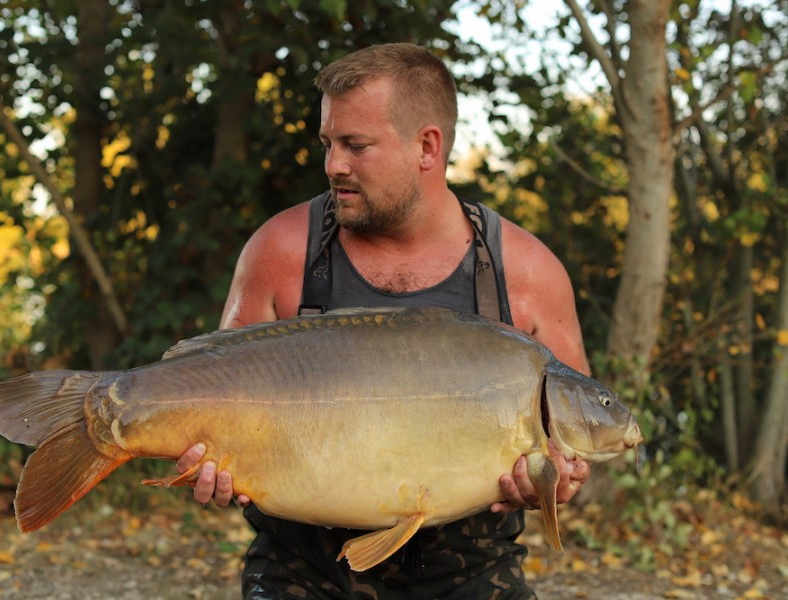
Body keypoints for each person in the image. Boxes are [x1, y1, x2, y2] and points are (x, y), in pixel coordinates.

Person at [176, 43, 591, 599]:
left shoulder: (527, 272)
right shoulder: (280, 250)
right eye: (328, 143)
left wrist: (557, 483)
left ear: (427, 146)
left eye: (356, 145)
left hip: (470, 576)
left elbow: (577, 447)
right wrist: (203, 469)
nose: (333, 165)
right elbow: (205, 399)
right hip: (302, 574)